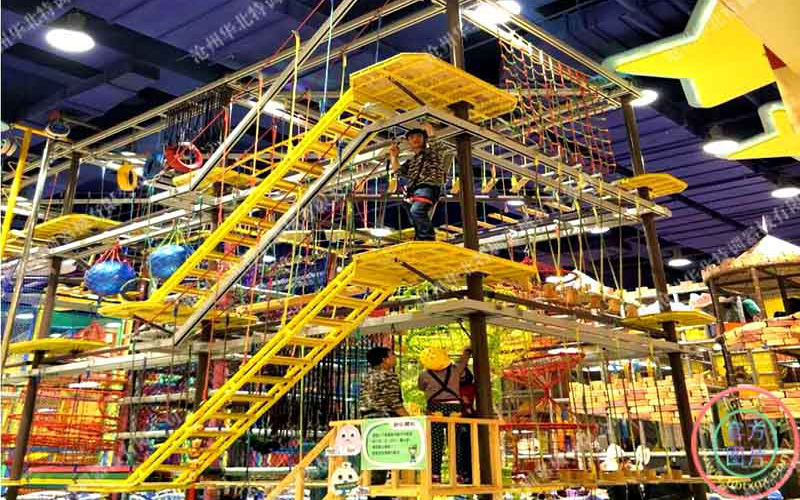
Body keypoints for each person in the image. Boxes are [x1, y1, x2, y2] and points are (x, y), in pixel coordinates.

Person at [388, 122, 451, 241]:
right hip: (414, 191)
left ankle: (427, 238)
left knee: (417, 211)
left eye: (419, 136)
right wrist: (394, 156)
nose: (415, 139)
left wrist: (429, 128)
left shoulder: (432, 153)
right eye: (411, 137)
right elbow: (399, 172)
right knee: (414, 217)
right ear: (409, 143)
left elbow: (438, 146)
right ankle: (420, 237)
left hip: (428, 187)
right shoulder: (412, 161)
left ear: (425, 139)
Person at [359, 346, 407, 499]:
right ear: (384, 359)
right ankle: (380, 494)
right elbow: (394, 402)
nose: (395, 357)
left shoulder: (367, 376)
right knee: (386, 458)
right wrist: (410, 419)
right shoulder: (389, 376)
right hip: (384, 419)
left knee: (372, 460)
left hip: (367, 420)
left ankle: (371, 493)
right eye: (392, 354)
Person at [418, 347, 472, 483]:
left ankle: (435, 474)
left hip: (435, 407)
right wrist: (467, 352)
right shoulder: (455, 370)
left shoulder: (424, 374)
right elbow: (463, 362)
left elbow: (421, 387)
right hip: (455, 407)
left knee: (436, 442)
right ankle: (457, 473)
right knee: (455, 441)